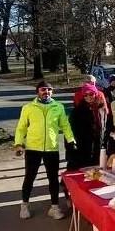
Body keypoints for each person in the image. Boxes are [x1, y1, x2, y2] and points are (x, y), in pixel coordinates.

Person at [14, 81, 75, 220]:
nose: (46, 92)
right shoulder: (28, 107)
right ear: (37, 92)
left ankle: (54, 207)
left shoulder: (58, 107)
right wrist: (18, 144)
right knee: (29, 177)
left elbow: (65, 126)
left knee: (53, 179)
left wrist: (71, 140)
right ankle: (24, 205)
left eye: (49, 89)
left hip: (51, 148)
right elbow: (21, 128)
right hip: (33, 148)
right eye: (43, 89)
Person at [67, 87, 107, 171]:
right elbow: (69, 131)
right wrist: (71, 149)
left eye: (91, 94)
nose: (88, 97)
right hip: (82, 149)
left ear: (96, 94)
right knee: (81, 173)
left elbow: (104, 127)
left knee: (96, 174)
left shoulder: (102, 109)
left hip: (98, 147)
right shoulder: (77, 111)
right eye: (85, 95)